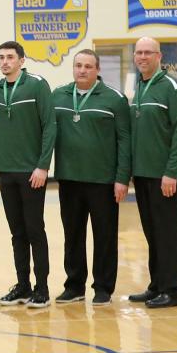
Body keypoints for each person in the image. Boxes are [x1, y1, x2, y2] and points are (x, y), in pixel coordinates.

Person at [52, 49, 131, 306]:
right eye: (78, 66)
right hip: (69, 179)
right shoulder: (58, 96)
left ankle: (103, 287)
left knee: (104, 236)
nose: (82, 70)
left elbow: (124, 141)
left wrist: (122, 178)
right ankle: (74, 285)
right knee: (72, 235)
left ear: (97, 70)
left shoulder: (114, 99)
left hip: (103, 181)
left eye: (88, 66)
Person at [0, 41, 55, 308]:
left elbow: (50, 126)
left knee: (34, 230)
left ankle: (42, 288)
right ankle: (23, 285)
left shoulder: (37, 85)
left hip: (32, 172)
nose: (5, 62)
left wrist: (43, 166)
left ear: (22, 60)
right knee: (17, 232)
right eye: (1, 57)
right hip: (6, 170)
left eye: (10, 57)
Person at [127, 37, 177, 308]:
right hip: (142, 173)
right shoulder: (138, 85)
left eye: (148, 52)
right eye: (138, 52)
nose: (142, 57)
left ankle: (173, 290)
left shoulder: (172, 87)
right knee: (152, 231)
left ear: (159, 56)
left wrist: (171, 172)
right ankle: (157, 284)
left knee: (168, 232)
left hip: (165, 175)